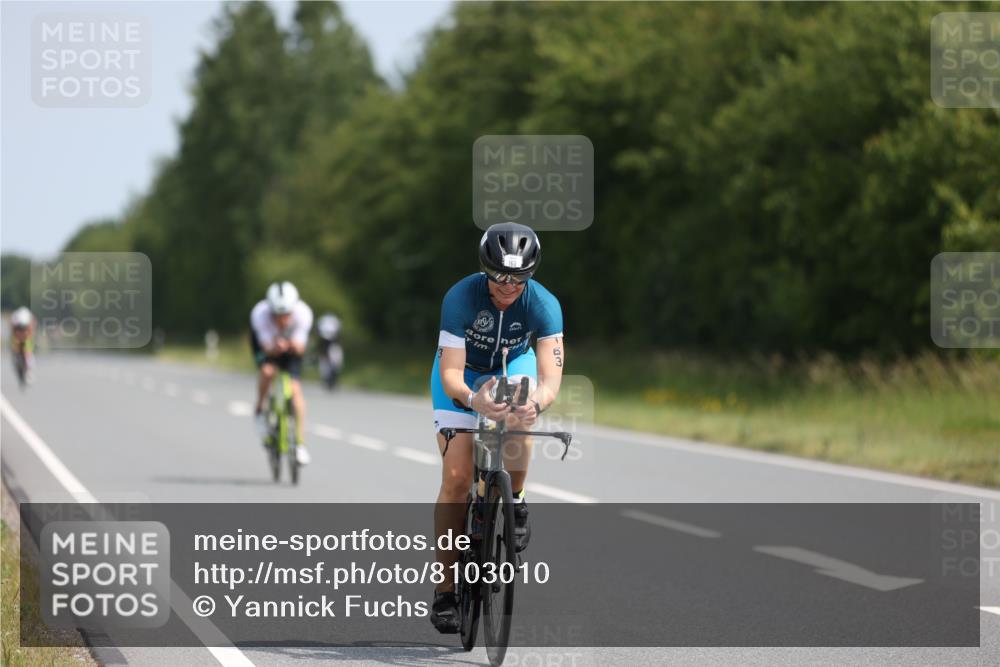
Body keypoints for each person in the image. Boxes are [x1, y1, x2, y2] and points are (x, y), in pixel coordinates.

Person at [429, 222, 565, 633]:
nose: (509, 287)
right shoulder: (460, 297)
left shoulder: (544, 305)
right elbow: (450, 374)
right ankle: (446, 592)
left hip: (512, 366)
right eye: (501, 277)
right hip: (463, 376)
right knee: (455, 477)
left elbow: (551, 380)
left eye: (519, 278)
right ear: (486, 271)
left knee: (521, 415)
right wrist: (474, 401)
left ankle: (517, 498)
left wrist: (534, 404)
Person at [250, 282, 314, 465]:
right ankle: (260, 410)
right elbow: (265, 348)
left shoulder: (303, 314)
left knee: (295, 390)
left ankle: (300, 444)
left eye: (286, 315)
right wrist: (274, 349)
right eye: (277, 315)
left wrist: (292, 345)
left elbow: (300, 348)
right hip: (268, 346)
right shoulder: (259, 315)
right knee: (267, 371)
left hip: (291, 347)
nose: (281, 320)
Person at [315, 313, 344, 390]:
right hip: (324, 348)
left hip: (334, 346)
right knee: (324, 365)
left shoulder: (336, 339)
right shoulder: (322, 338)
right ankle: (326, 380)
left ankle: (333, 380)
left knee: (336, 364)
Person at [10, 307, 36, 383]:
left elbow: (32, 330)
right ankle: (16, 364)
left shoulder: (29, 320)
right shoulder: (15, 319)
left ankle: (29, 370)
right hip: (17, 337)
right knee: (14, 351)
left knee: (28, 353)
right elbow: (13, 331)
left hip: (26, 337)